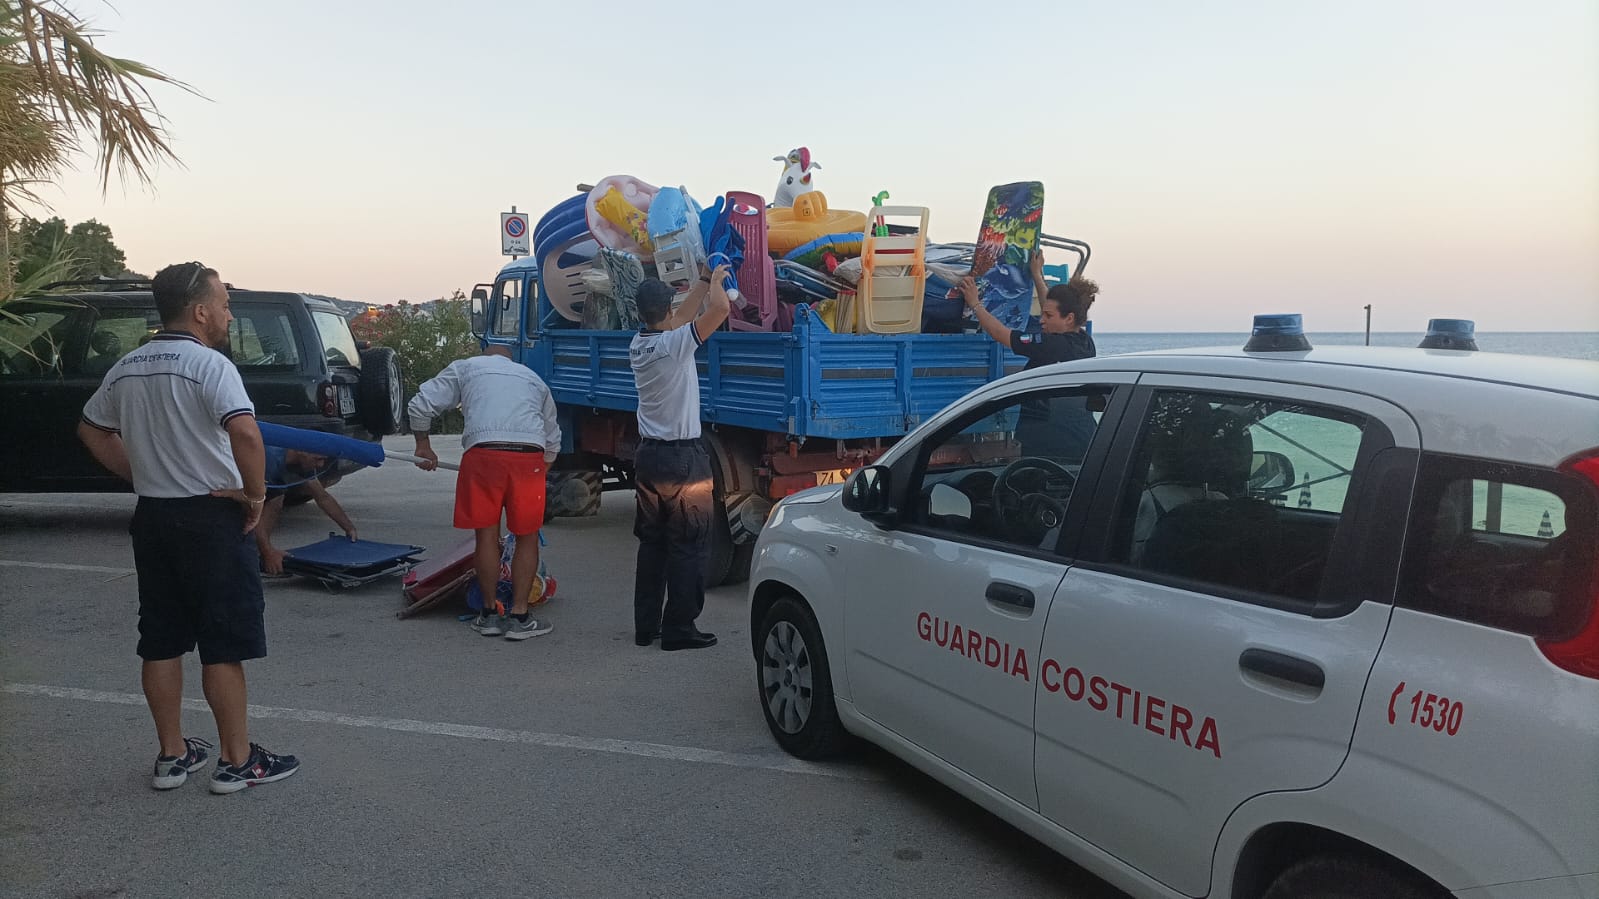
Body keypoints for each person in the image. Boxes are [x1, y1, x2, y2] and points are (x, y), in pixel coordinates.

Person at [76, 261, 300, 794]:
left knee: (161, 637)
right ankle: (236, 761)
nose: (227, 313)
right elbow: (245, 433)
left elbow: (90, 429)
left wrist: (141, 472)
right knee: (222, 640)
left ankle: (172, 755)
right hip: (209, 517)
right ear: (199, 311)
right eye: (222, 303)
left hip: (154, 517)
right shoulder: (208, 365)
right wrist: (256, 494)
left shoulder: (128, 366)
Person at [409, 344, 560, 641]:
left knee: (486, 536)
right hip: (528, 456)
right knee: (527, 537)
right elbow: (553, 439)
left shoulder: (466, 367)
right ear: (511, 360)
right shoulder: (532, 378)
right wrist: (538, 472)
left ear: (484, 355)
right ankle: (520, 617)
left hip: (482, 455)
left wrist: (423, 445)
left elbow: (420, 404)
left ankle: (489, 615)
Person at [629, 264, 731, 651]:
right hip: (682, 461)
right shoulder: (674, 344)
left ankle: (646, 627)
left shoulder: (641, 344)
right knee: (689, 545)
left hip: (649, 459)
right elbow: (718, 312)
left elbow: (684, 317)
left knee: (652, 545)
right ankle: (679, 629)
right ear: (666, 309)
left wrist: (703, 281)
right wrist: (718, 286)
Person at [959, 252, 1103, 461]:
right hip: (1080, 436)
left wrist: (975, 303)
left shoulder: (1052, 345)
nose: (1041, 320)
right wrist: (1037, 275)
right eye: (1043, 314)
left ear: (1069, 318)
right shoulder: (1085, 341)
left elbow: (1002, 334)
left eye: (1048, 316)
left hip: (1050, 440)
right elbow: (1053, 307)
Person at [256, 447, 358, 576]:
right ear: (301, 451)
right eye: (318, 459)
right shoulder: (269, 461)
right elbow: (253, 511)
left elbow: (322, 497)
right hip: (232, 489)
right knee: (275, 499)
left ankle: (259, 554)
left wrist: (349, 528)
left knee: (276, 497)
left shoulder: (302, 462)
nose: (320, 465)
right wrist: (268, 552)